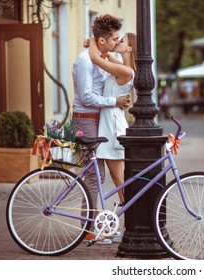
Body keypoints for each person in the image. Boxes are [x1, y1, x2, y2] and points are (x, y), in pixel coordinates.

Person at [71, 14, 130, 245]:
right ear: (102, 41)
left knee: (100, 175)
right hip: (86, 119)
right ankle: (87, 229)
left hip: (98, 119)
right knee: (94, 176)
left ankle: (99, 225)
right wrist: (113, 102)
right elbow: (86, 96)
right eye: (114, 38)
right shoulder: (86, 61)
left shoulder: (101, 56)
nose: (117, 42)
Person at [89, 32, 136, 206]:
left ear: (129, 48)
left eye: (121, 41)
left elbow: (95, 58)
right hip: (112, 121)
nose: (117, 42)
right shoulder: (124, 67)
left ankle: (131, 223)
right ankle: (130, 222)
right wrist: (106, 51)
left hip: (113, 126)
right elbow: (107, 58)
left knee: (120, 180)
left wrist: (94, 39)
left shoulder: (125, 71)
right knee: (120, 179)